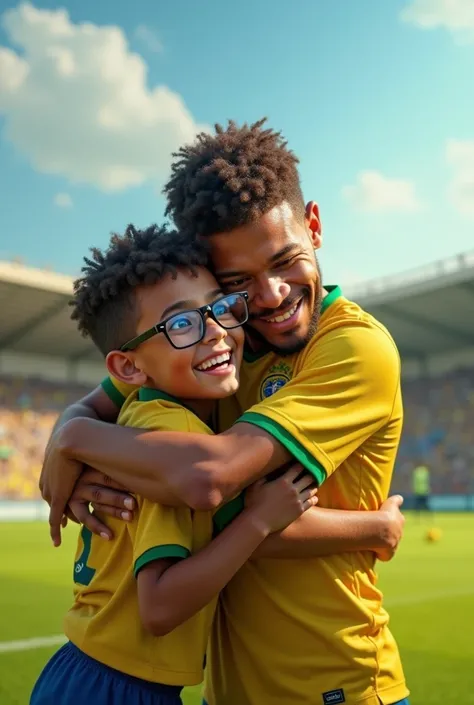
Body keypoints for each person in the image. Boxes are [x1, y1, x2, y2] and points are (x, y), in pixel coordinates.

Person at [41, 119, 409, 705]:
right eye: (238, 282)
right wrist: (68, 435)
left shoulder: (353, 348)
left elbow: (209, 481)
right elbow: (97, 402)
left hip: (330, 679)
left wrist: (77, 443)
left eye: (285, 260)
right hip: (228, 687)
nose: (269, 296)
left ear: (314, 225)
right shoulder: (223, 346)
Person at [30, 224, 319, 705]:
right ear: (129, 368)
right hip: (117, 688)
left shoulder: (140, 417)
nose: (217, 332)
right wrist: (259, 520)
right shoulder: (174, 437)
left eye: (219, 307)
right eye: (182, 324)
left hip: (86, 671)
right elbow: (160, 606)